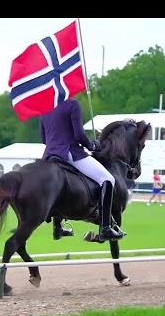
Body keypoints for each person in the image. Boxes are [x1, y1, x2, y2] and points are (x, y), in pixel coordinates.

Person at [39, 99, 123, 242]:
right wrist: (92, 146)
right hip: (69, 152)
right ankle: (105, 228)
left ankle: (57, 227)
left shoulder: (44, 107)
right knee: (108, 180)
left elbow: (43, 139)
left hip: (48, 154)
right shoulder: (72, 104)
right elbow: (79, 135)